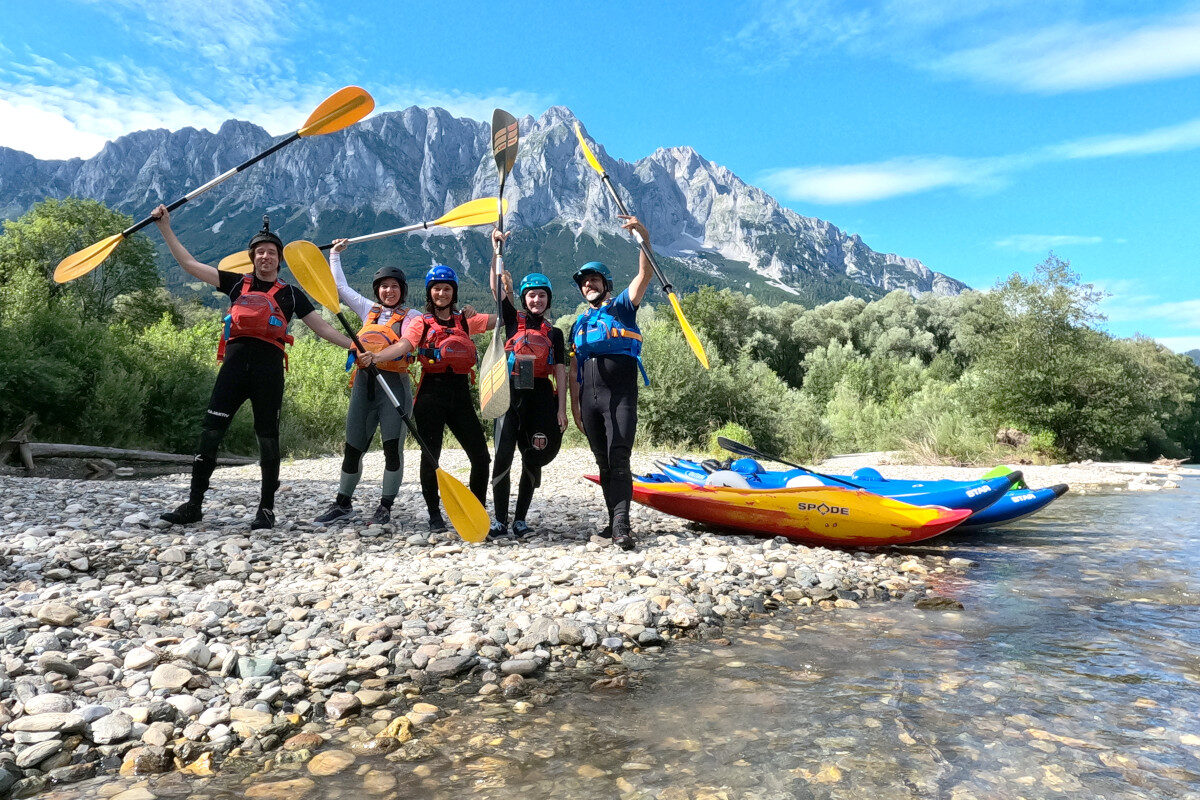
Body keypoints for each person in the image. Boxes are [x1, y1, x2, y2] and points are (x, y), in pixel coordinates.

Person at [151, 207, 357, 530]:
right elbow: (189, 266)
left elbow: (323, 329)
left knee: (268, 441)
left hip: (268, 376)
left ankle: (266, 509)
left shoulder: (291, 294)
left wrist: (354, 345)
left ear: (279, 259)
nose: (266, 257)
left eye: (272, 253)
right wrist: (165, 227)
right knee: (210, 436)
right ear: (252, 257)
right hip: (232, 373)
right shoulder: (235, 284)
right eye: (260, 252)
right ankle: (193, 504)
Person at [313, 240, 421, 526]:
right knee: (353, 446)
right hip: (364, 386)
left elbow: (406, 345)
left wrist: (377, 355)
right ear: (378, 290)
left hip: (394, 387)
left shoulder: (412, 317)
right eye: (384, 286)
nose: (389, 291)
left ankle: (385, 506)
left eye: (394, 286)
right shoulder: (368, 310)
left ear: (402, 290)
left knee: (392, 448)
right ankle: (342, 503)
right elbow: (340, 289)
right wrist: (334, 255)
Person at [385, 265, 495, 533]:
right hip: (430, 395)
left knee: (481, 457)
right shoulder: (420, 322)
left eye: (447, 289)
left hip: (460, 396)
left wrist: (501, 277)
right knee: (431, 458)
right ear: (429, 292)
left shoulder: (466, 321)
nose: (442, 293)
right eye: (437, 288)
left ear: (454, 292)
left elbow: (504, 318)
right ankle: (434, 515)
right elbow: (405, 346)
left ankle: (476, 511)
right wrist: (377, 357)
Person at [569, 215, 654, 551]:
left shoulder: (622, 308)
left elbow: (645, 275)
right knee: (602, 460)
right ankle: (611, 520)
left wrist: (643, 235)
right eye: (584, 282)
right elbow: (575, 365)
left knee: (618, 456)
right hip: (588, 401)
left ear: (605, 282)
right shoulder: (580, 323)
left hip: (619, 396)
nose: (588, 285)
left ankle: (622, 525)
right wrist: (574, 406)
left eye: (593, 280)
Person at [487, 230, 568, 537]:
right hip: (509, 393)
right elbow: (497, 287)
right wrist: (497, 248)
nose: (536, 300)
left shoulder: (555, 333)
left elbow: (560, 372)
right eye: (531, 295)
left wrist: (562, 411)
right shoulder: (511, 320)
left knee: (533, 457)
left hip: (541, 397)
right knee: (504, 454)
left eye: (542, 295)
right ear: (524, 298)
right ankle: (499, 519)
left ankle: (520, 519)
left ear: (548, 300)